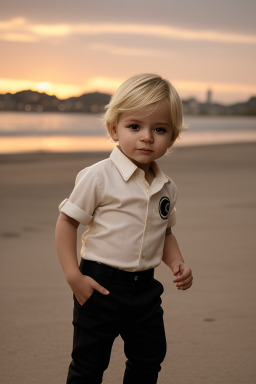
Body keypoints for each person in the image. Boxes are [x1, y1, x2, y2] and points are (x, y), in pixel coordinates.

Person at [55, 73, 193, 384]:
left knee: (149, 357)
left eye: (159, 129)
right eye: (135, 126)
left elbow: (165, 233)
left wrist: (177, 262)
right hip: (99, 285)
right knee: (89, 364)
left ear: (172, 138)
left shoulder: (167, 187)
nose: (147, 137)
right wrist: (74, 276)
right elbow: (67, 221)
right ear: (113, 129)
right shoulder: (98, 176)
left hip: (145, 290)